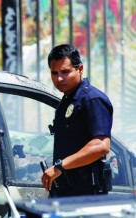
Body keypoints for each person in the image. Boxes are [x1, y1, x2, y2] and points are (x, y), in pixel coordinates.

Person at [41, 44, 113, 197]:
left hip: (86, 195)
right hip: (67, 191)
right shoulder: (68, 100)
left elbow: (100, 146)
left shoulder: (92, 100)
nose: (59, 78)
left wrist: (60, 167)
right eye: (54, 73)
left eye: (65, 72)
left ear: (80, 69)